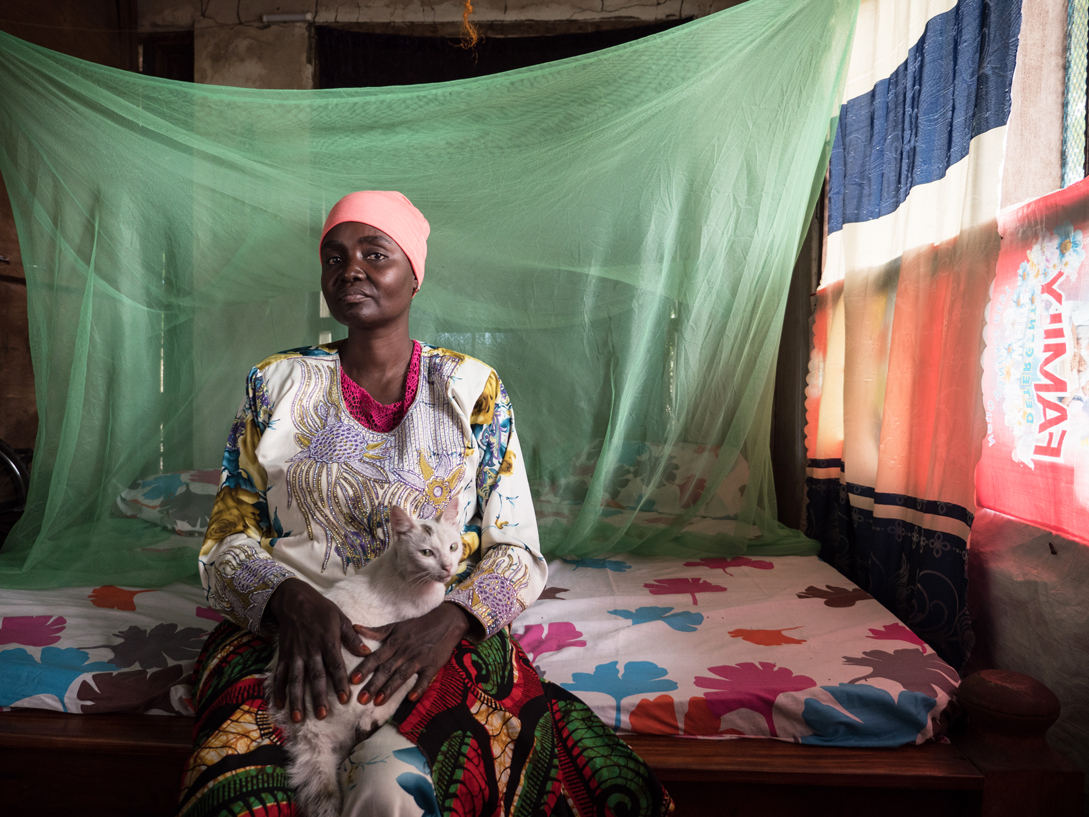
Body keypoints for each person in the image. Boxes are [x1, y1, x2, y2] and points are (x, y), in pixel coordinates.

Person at [177, 191, 671, 817]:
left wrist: (452, 620)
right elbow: (227, 540)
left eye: (374, 253)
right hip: (293, 638)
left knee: (401, 789)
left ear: (414, 275)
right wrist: (288, 600)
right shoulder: (275, 384)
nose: (349, 269)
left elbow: (515, 549)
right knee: (240, 790)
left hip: (432, 635)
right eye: (334, 258)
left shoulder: (471, 388)